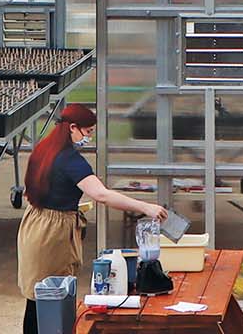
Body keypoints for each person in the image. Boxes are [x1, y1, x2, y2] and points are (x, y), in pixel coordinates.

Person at [19, 105, 168, 333]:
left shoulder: (43, 149)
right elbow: (101, 195)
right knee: (54, 298)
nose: (89, 137)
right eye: (88, 132)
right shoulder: (70, 159)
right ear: (72, 128)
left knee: (37, 297)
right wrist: (145, 206)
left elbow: (47, 189)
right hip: (52, 235)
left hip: (34, 225)